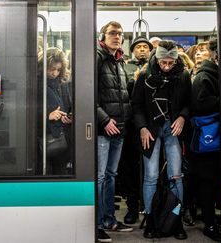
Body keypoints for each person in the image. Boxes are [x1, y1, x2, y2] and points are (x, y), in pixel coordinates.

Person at [131, 40, 190, 240]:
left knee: (176, 175)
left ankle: (176, 219)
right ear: (156, 59)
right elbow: (137, 105)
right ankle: (150, 219)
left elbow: (189, 103)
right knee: (151, 176)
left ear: (176, 60)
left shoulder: (183, 75)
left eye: (170, 63)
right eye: (163, 62)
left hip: (172, 127)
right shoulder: (145, 76)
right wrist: (142, 128)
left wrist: (182, 116)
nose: (166, 67)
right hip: (151, 128)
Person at [96, 21, 133, 242]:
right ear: (103, 36)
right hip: (104, 128)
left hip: (119, 129)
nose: (117, 37)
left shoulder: (118, 61)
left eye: (120, 34)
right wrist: (104, 120)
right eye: (112, 33)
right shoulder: (98, 57)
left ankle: (109, 219)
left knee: (111, 176)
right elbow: (88, 94)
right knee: (100, 176)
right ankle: (98, 223)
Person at [118, 35, 153, 224]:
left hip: (152, 124)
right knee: (129, 167)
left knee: (151, 167)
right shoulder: (125, 67)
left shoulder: (155, 66)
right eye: (138, 47)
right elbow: (123, 93)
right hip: (131, 125)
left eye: (145, 47)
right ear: (132, 50)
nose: (142, 50)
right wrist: (136, 80)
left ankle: (152, 206)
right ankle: (132, 206)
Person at [189, 40, 221, 242]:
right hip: (208, 136)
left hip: (214, 136)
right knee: (207, 182)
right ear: (217, 56)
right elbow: (200, 104)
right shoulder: (204, 77)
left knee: (212, 180)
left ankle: (212, 219)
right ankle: (209, 223)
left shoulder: (214, 74)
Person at [38, 47, 72, 175]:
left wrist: (69, 116)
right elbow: (27, 114)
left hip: (61, 136)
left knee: (61, 172)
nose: (54, 73)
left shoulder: (62, 83)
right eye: (51, 69)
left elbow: (68, 105)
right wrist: (48, 116)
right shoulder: (36, 84)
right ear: (42, 66)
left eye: (58, 70)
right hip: (42, 136)